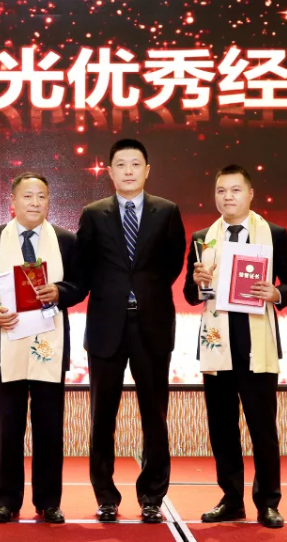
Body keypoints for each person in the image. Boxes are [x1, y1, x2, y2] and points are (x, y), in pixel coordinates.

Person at [71, 138, 186, 524]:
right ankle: (106, 496)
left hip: (152, 325)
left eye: (135, 164)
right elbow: (84, 267)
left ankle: (152, 496)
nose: (128, 171)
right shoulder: (93, 213)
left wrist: (144, 291)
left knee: (154, 415)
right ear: (110, 171)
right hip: (106, 327)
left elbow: (172, 264)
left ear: (147, 170)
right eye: (121, 164)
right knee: (102, 415)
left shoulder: (167, 211)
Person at [184, 164, 287, 529]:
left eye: (235, 190)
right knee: (222, 429)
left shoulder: (273, 234)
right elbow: (190, 294)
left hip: (257, 346)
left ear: (250, 194)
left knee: (262, 429)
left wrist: (276, 293)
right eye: (221, 191)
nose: (228, 197)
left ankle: (268, 502)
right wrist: (196, 281)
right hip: (217, 346)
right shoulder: (203, 238)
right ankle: (231, 500)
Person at [0, 172, 80, 524]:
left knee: (49, 428)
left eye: (41, 196)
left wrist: (60, 292)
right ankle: (5, 500)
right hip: (5, 347)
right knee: (8, 429)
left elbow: (80, 284)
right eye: (27, 196)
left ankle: (49, 502)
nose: (35, 202)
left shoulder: (66, 240)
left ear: (49, 202)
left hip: (49, 346)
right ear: (12, 202)